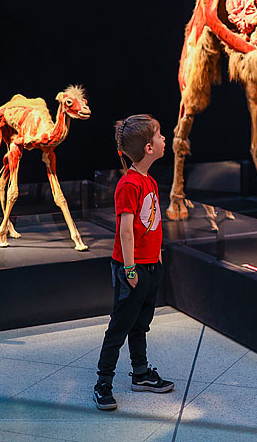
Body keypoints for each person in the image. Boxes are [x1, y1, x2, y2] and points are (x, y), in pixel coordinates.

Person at [94, 114, 174, 411]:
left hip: (150, 266)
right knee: (119, 326)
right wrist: (129, 269)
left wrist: (157, 259)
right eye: (160, 135)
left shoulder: (149, 180)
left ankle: (140, 373)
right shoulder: (128, 185)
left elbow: (152, 224)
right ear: (149, 148)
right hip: (132, 269)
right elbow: (125, 231)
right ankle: (103, 382)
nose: (165, 139)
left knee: (141, 324)